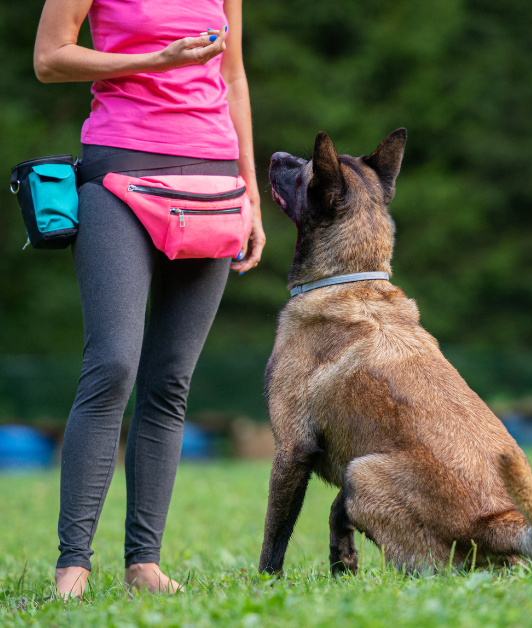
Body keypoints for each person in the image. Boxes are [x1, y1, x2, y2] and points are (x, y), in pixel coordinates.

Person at [33, 0, 265, 597]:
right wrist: (151, 60)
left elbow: (232, 74)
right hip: (119, 170)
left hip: (213, 178)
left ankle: (144, 563)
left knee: (169, 381)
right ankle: (73, 564)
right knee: (112, 364)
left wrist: (251, 193)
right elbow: (49, 58)